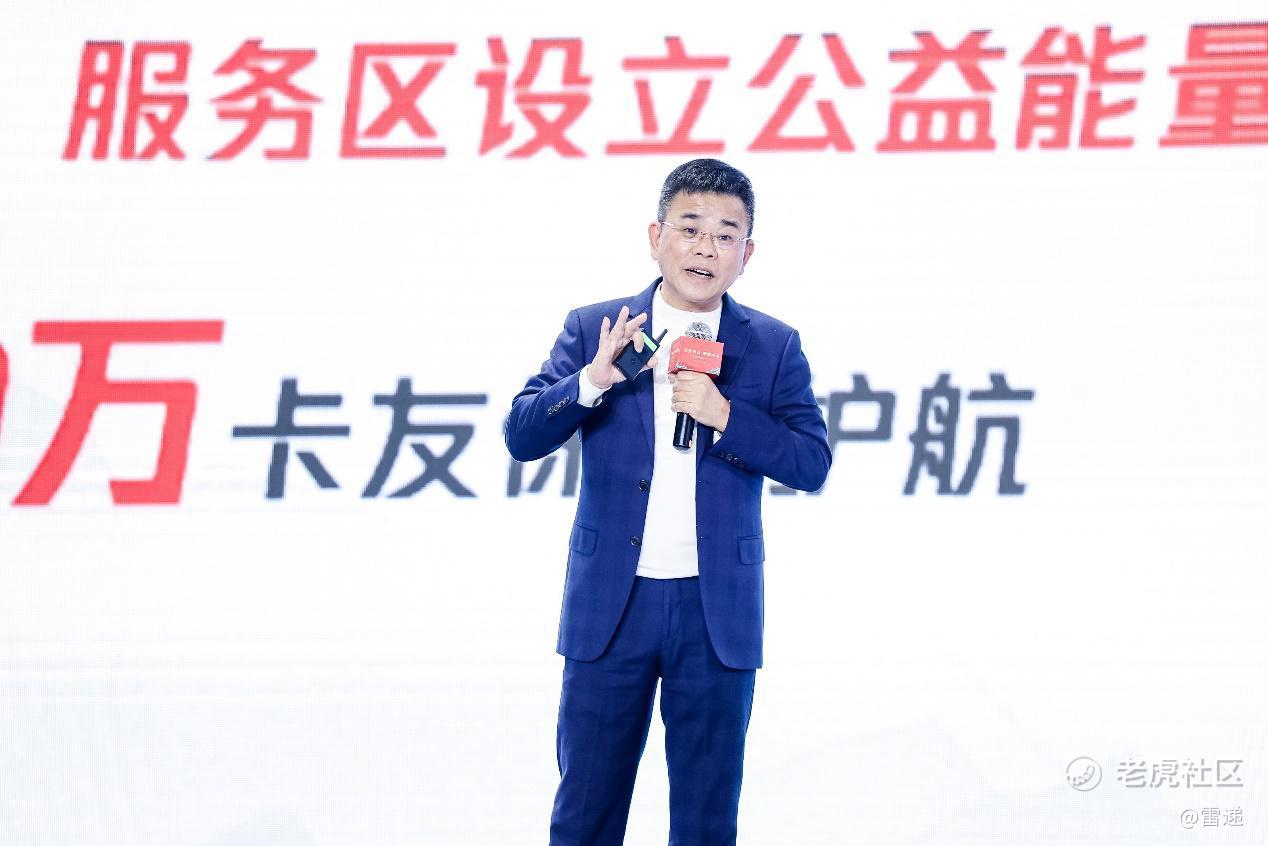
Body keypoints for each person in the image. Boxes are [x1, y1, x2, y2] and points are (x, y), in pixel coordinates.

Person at [505, 158, 830, 845]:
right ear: (656, 237)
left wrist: (726, 415)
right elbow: (523, 435)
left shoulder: (772, 346)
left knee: (706, 820)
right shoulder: (598, 326)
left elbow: (810, 462)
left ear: (747, 253)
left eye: (725, 235)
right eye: (690, 228)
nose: (706, 249)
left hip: (715, 610)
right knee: (585, 812)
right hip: (612, 604)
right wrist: (592, 381)